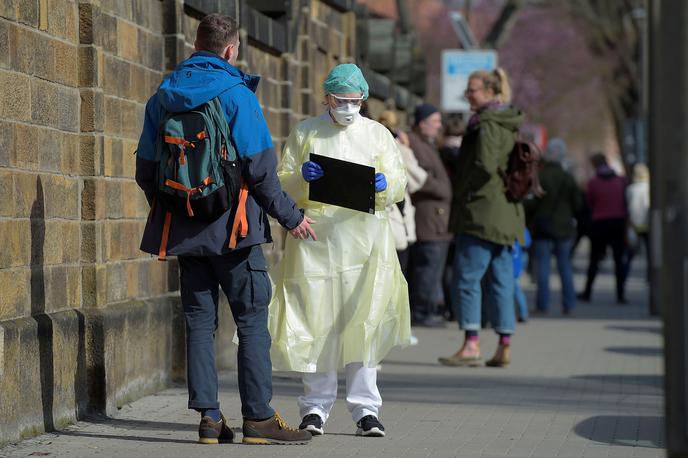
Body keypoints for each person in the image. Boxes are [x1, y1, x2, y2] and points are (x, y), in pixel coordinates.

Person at [134, 14, 313, 445]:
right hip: (235, 233)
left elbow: (145, 170)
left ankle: (209, 421)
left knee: (199, 324)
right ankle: (258, 418)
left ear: (196, 45)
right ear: (231, 50)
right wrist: (292, 217)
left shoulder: (163, 97)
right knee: (251, 322)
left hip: (184, 234)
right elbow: (261, 171)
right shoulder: (237, 94)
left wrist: (180, 207)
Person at [268, 64, 411, 438]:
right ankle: (315, 408)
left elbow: (398, 180)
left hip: (366, 244)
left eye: (356, 101)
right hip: (317, 241)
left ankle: (366, 410)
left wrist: (386, 184)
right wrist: (302, 176)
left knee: (363, 324)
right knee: (316, 323)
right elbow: (282, 181)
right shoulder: (306, 132)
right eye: (342, 100)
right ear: (327, 97)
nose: (349, 107)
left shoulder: (378, 134)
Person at [438, 68, 524, 368]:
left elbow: (485, 166)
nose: (467, 94)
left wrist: (464, 188)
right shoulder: (508, 119)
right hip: (506, 213)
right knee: (502, 280)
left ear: (489, 91)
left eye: (472, 89)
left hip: (481, 212)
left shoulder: (486, 122)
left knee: (467, 277)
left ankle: (471, 344)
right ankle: (504, 344)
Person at [407, 104, 453, 327]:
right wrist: (443, 189)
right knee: (426, 268)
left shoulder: (426, 143)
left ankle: (426, 308)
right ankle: (421, 311)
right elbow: (419, 176)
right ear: (421, 122)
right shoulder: (415, 143)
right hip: (429, 219)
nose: (439, 126)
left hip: (436, 219)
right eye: (435, 121)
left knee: (432, 269)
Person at [525, 138, 582, 315]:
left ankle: (542, 305)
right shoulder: (567, 178)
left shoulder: (540, 177)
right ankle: (569, 304)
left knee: (542, 268)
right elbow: (578, 203)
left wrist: (529, 220)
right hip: (564, 228)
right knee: (565, 266)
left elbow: (531, 204)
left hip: (542, 227)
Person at [378, 110, 427, 277]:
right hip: (395, 214)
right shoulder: (396, 146)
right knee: (398, 272)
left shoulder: (373, 141)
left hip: (384, 216)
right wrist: (406, 148)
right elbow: (418, 179)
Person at [578, 153, 628, 304]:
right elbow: (625, 202)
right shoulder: (620, 181)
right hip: (618, 222)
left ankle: (587, 292)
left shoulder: (593, 183)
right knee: (619, 260)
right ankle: (620, 295)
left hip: (600, 223)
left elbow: (590, 203)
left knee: (594, 260)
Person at [625, 163, 650, 282]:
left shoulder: (631, 189)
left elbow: (629, 207)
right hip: (647, 223)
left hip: (635, 224)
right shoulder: (649, 188)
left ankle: (624, 276)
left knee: (630, 254)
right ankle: (650, 277)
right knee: (650, 253)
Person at [512, 228, 531, 322]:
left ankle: (523, 313)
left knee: (515, 289)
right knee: (515, 288)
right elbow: (527, 243)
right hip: (518, 259)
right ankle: (522, 313)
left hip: (514, 262)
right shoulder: (522, 227)